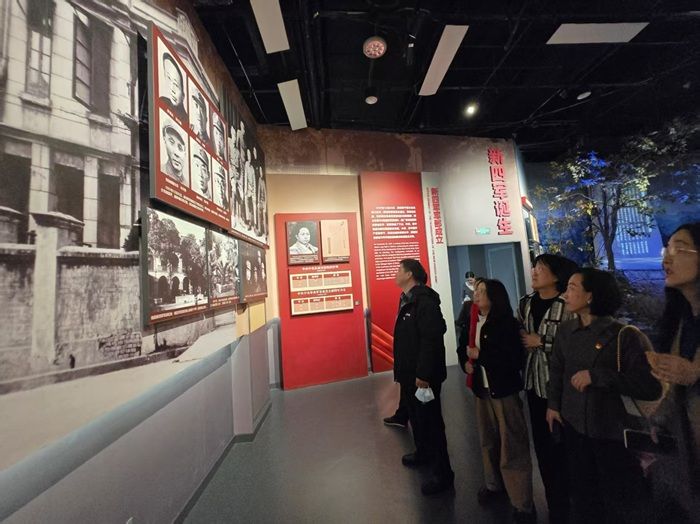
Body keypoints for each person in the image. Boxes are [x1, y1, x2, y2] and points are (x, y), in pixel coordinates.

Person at [547, 268, 662, 524]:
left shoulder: (624, 336)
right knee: (584, 496)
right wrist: (553, 405)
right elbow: (557, 369)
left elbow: (650, 387)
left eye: (572, 288)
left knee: (618, 500)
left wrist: (598, 376)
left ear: (591, 296)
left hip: (613, 433)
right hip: (574, 426)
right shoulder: (566, 331)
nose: (565, 294)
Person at [467, 279, 536, 524]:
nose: (477, 295)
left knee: (512, 444)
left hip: (504, 391)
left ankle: (522, 502)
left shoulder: (507, 324)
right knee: (488, 440)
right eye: (476, 291)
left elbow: (512, 359)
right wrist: (468, 362)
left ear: (495, 297)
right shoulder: (475, 320)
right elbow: (467, 348)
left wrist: (481, 356)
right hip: (483, 390)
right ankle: (493, 484)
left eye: (482, 291)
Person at [518, 254, 578, 524]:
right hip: (534, 385)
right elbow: (520, 336)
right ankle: (555, 504)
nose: (534, 272)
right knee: (542, 447)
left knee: (565, 447)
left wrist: (541, 341)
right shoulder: (526, 303)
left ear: (556, 276)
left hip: (563, 389)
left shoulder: (567, 305)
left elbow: (575, 345)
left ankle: (572, 501)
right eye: (534, 268)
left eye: (541, 268)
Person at [647, 223, 700, 523]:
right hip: (687, 458)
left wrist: (695, 372)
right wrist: (659, 421)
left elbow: (690, 375)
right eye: (666, 249)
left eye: (680, 248)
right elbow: (680, 385)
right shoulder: (681, 320)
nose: (667, 258)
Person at [393, 259, 454, 495]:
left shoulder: (424, 301)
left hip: (422, 376)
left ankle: (443, 474)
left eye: (399, 270)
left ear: (410, 274)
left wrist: (424, 374)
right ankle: (423, 453)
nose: (396, 273)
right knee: (418, 418)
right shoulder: (408, 299)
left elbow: (431, 339)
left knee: (431, 422)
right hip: (410, 374)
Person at [159, 53, 188, 123]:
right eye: (169, 78)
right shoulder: (162, 101)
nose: (172, 90)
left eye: (176, 85)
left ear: (183, 95)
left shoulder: (186, 120)